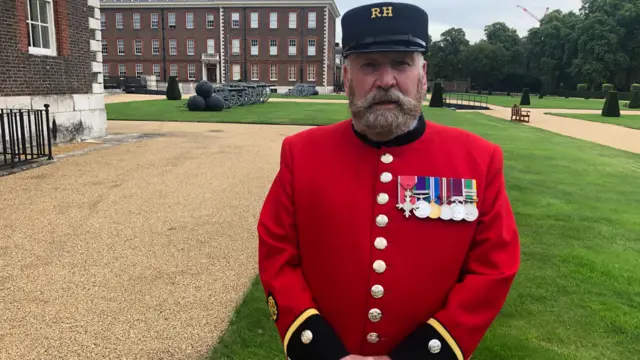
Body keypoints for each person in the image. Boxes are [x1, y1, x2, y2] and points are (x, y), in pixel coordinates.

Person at [257, 2, 521, 359]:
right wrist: (318, 348)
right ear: (347, 77)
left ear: (422, 73)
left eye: (401, 63)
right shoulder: (301, 155)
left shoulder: (477, 160)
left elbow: (494, 267)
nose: (386, 80)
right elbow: (277, 255)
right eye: (369, 65)